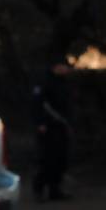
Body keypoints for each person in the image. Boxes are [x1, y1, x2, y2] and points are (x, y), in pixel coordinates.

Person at [32, 62, 73, 201]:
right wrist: (40, 123)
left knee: (61, 159)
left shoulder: (64, 83)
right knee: (47, 159)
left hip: (61, 126)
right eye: (63, 66)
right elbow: (37, 104)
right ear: (55, 67)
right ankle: (39, 189)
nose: (65, 69)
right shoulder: (44, 82)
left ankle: (55, 190)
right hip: (48, 128)